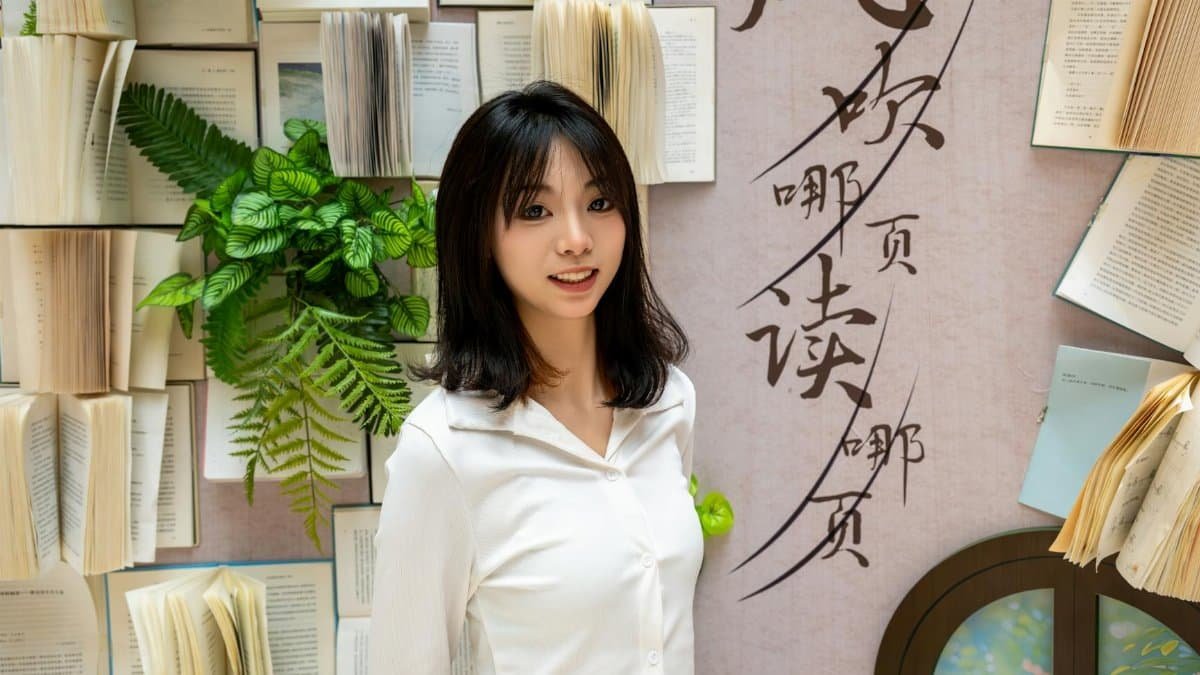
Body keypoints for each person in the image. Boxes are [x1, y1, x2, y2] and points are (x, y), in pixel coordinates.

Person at [368, 80, 703, 675]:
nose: (577, 240)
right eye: (535, 210)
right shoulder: (443, 452)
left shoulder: (668, 403)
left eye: (600, 203)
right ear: (480, 237)